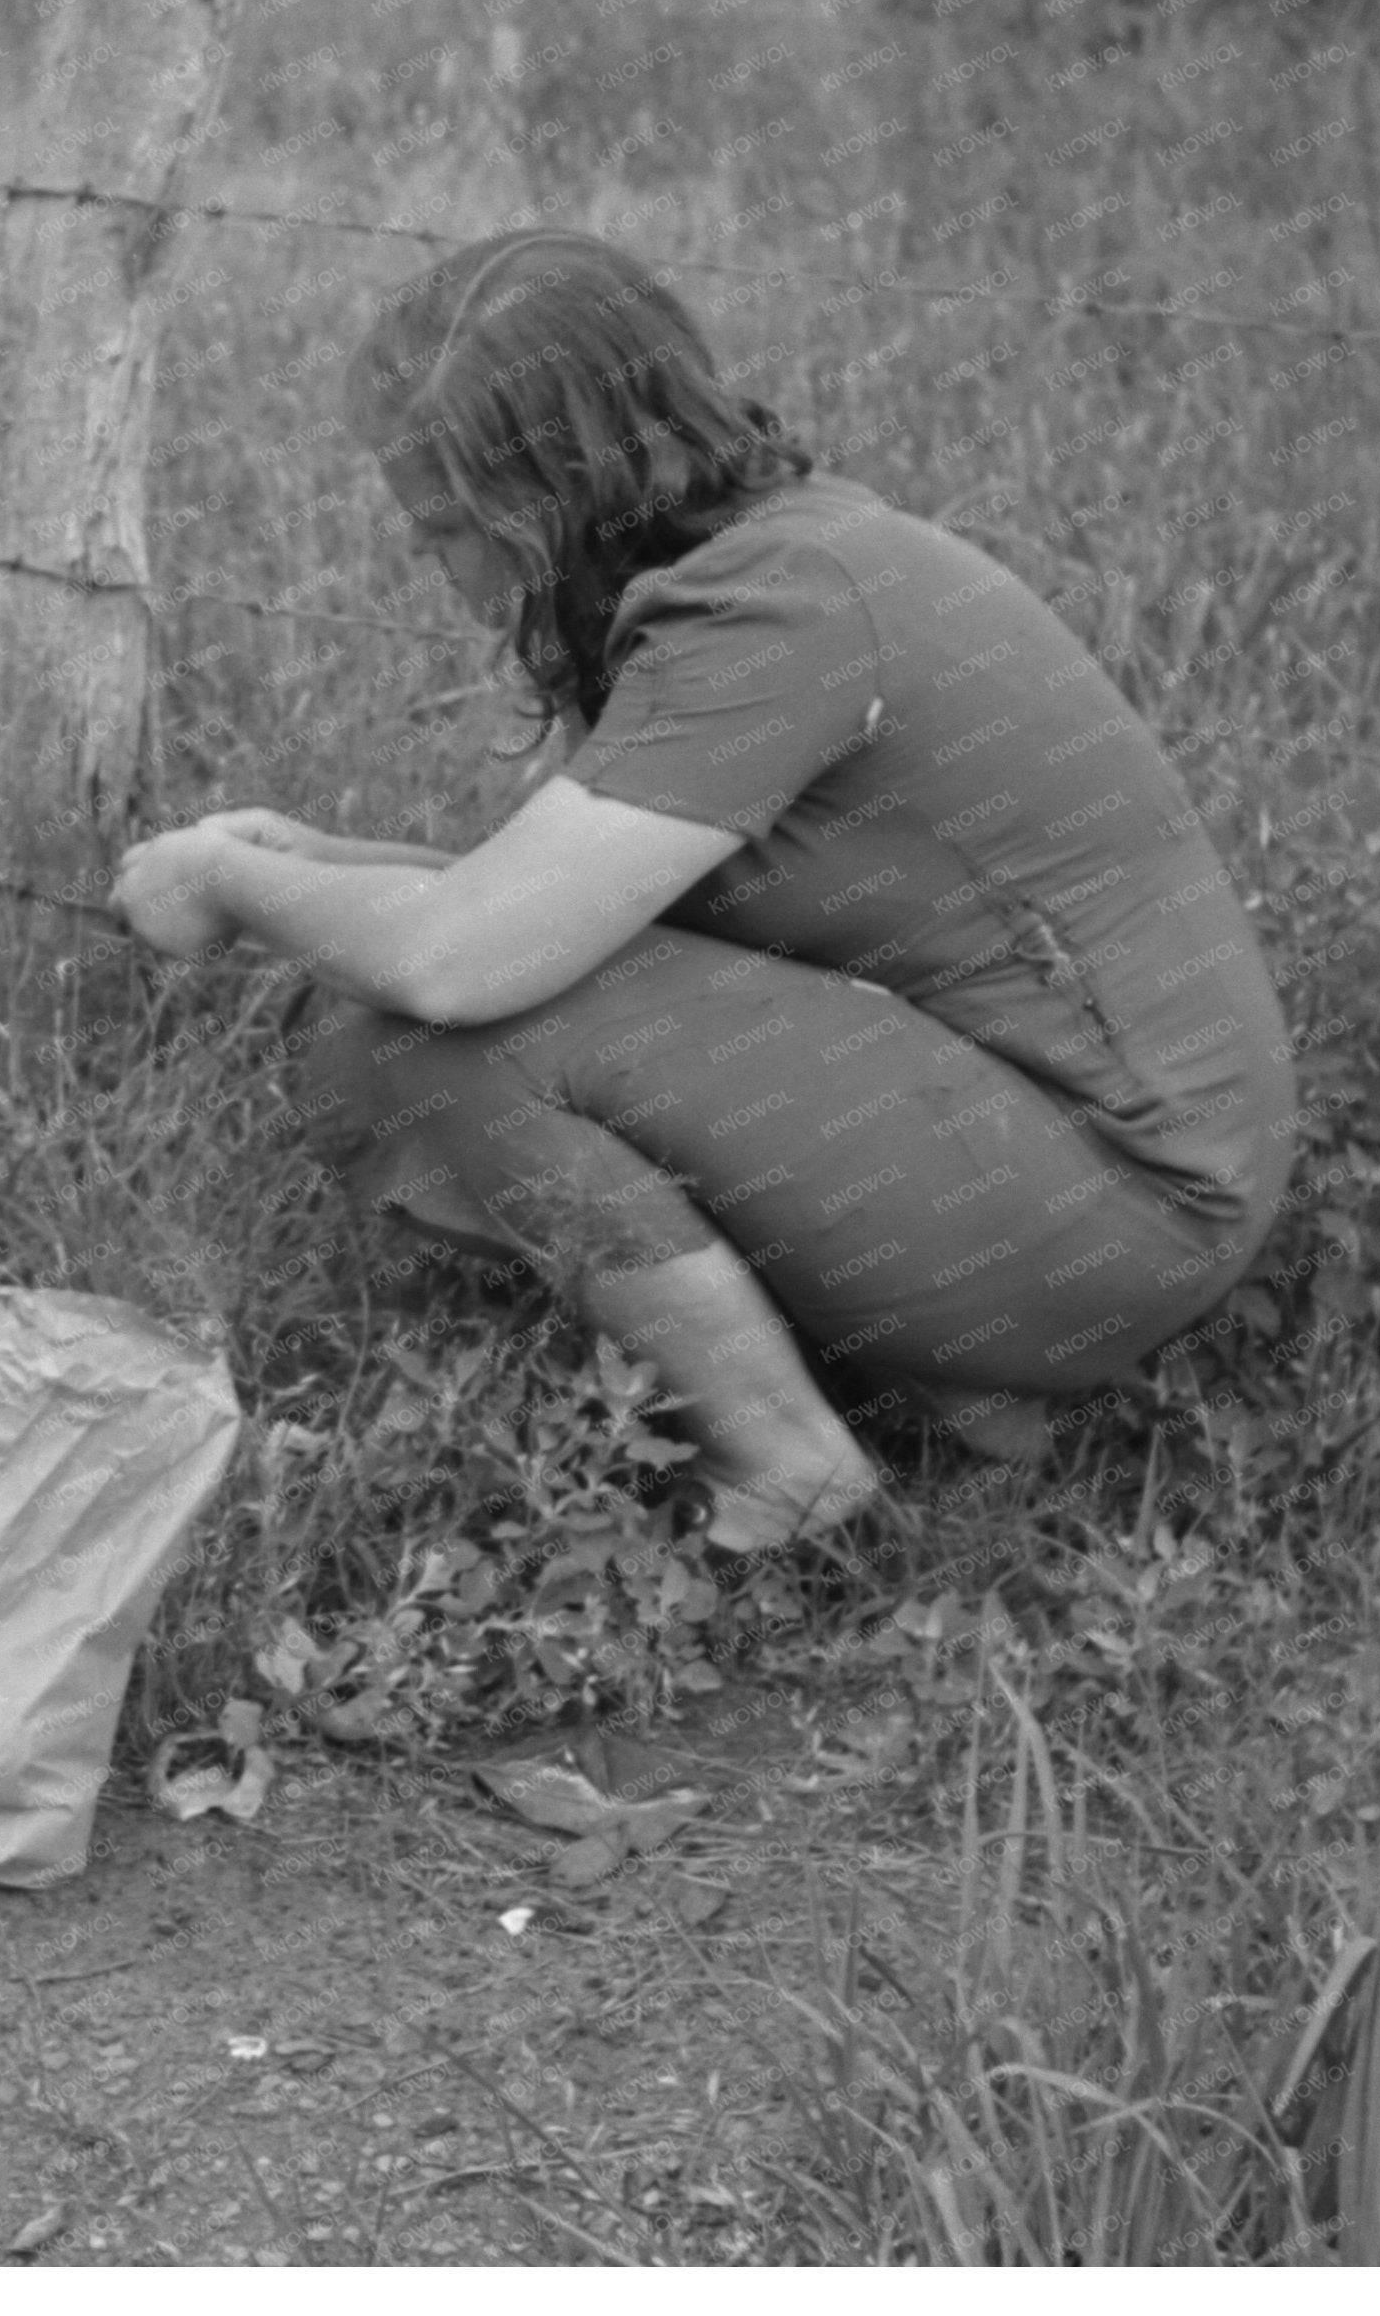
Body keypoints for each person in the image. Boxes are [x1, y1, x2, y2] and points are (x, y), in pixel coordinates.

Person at [111, 230, 1296, 1550]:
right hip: (1058, 1151)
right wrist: (310, 865)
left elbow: (468, 964)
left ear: (550, 495)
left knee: (449, 1038)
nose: (421, 557)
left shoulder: (773, 616)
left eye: (441, 524)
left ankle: (785, 1463)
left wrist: (222, 872)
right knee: (371, 1026)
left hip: (1123, 1203)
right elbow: (584, 924)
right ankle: (882, 1368)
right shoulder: (762, 571)